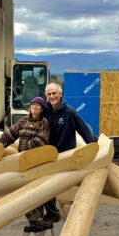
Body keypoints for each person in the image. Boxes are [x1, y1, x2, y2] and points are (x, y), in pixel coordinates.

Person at [42, 82, 97, 226]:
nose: (52, 96)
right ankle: (52, 213)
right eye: (49, 94)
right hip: (49, 156)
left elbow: (83, 129)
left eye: (54, 93)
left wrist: (93, 145)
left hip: (65, 156)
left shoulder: (70, 112)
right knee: (43, 184)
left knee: (54, 185)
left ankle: (71, 216)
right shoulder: (44, 112)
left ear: (60, 94)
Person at [0, 96, 51, 229]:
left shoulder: (44, 123)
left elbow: (40, 140)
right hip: (23, 161)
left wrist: (24, 149)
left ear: (42, 109)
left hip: (36, 161)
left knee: (36, 189)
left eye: (38, 106)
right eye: (33, 105)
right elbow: (9, 135)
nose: (34, 107)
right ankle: (32, 220)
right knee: (24, 190)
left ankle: (38, 219)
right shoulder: (23, 121)